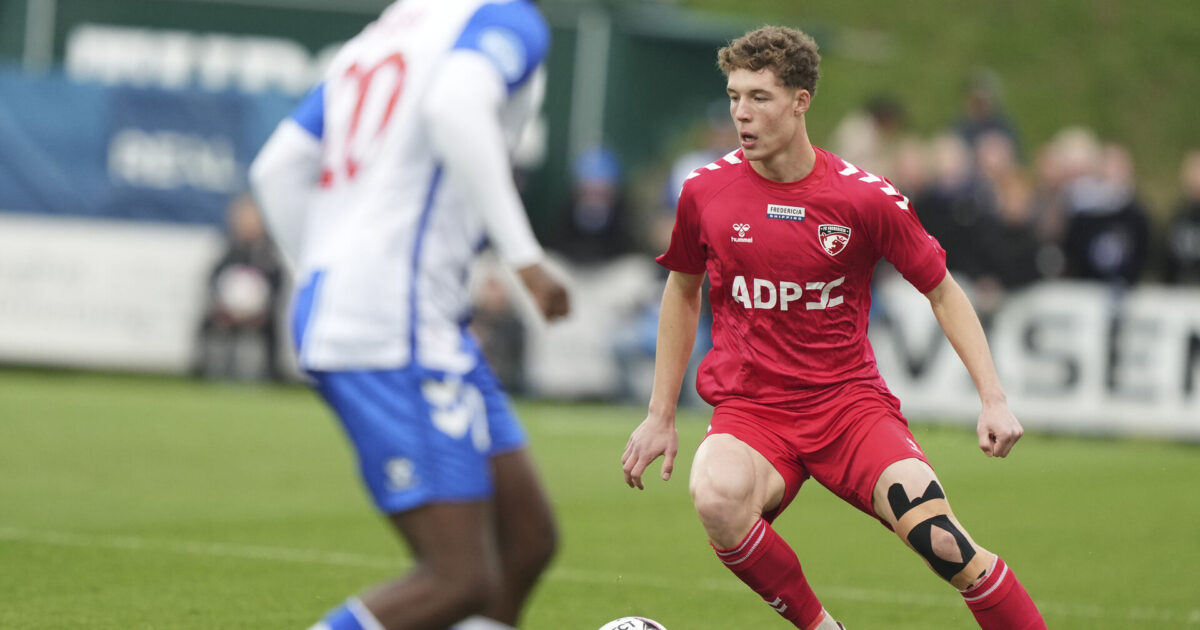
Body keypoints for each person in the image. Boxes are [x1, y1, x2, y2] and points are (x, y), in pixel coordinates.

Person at [621, 26, 1045, 630]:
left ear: (801, 101)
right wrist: (661, 413)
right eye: (735, 96)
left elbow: (943, 291)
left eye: (759, 97)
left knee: (944, 543)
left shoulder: (864, 199)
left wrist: (993, 399)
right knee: (715, 494)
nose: (741, 113)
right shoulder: (705, 191)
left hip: (848, 408)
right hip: (753, 409)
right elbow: (682, 290)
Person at [248, 1, 570, 629]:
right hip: (395, 322)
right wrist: (525, 260)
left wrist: (329, 275)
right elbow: (453, 107)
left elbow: (277, 167)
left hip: (398, 315)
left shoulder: (386, 30)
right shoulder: (505, 18)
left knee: (525, 541)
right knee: (459, 578)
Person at [193, 193, 287, 381]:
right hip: (228, 309)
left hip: (260, 312)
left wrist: (263, 308)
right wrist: (223, 304)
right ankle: (203, 367)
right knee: (207, 323)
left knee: (272, 328)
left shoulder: (267, 252)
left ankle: (271, 373)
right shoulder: (231, 249)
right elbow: (214, 278)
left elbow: (278, 283)